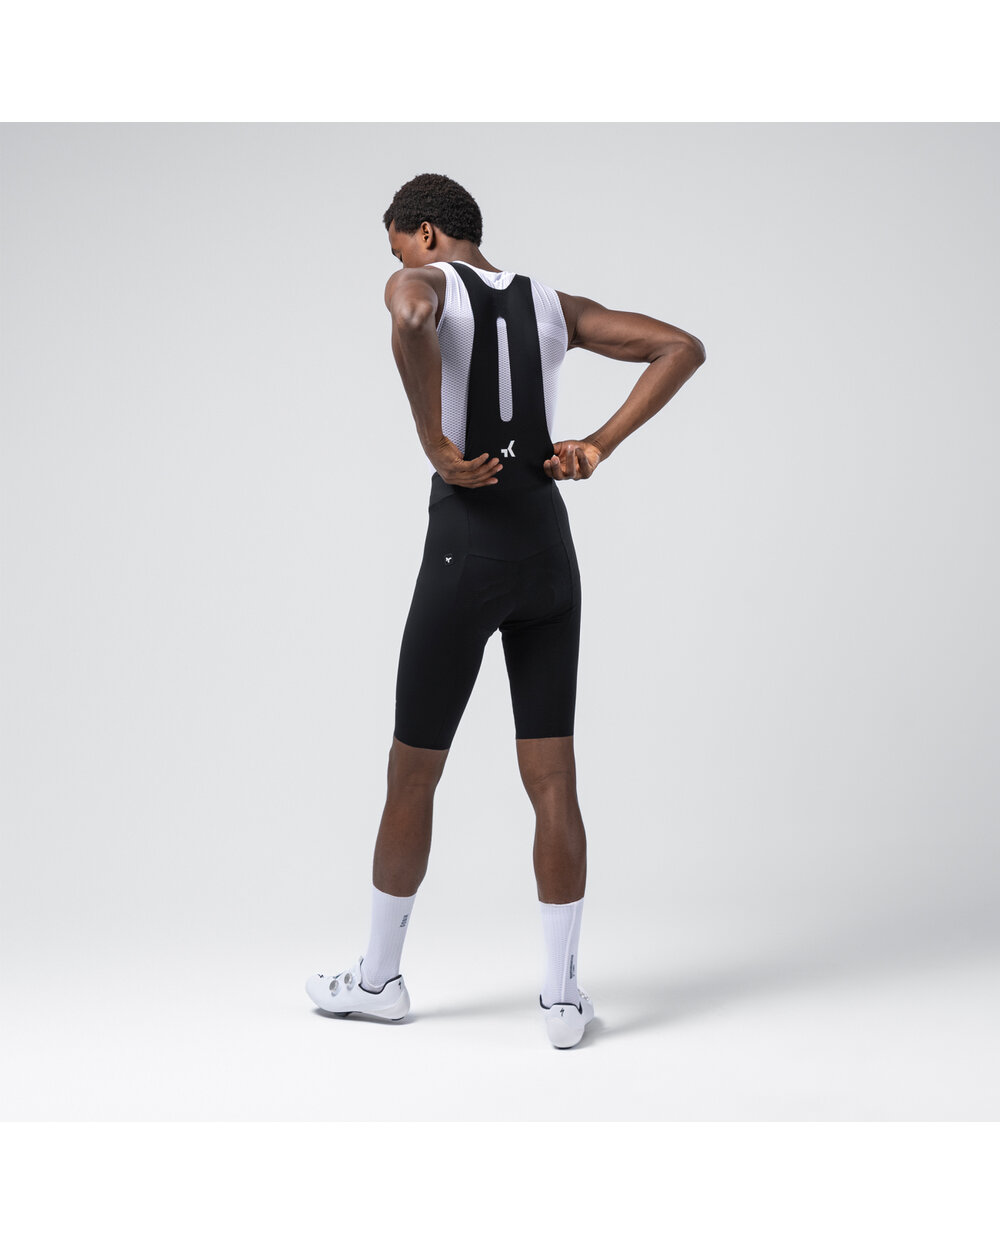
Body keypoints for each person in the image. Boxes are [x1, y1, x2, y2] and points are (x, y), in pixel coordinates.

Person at [306, 172, 706, 1048]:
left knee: (413, 773)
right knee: (554, 778)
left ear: (423, 233)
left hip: (465, 550)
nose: (398, 264)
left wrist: (435, 443)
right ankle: (562, 1000)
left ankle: (377, 981)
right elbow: (681, 346)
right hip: (547, 552)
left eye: (396, 246)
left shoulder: (424, 279)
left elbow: (411, 314)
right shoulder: (554, 305)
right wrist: (597, 443)